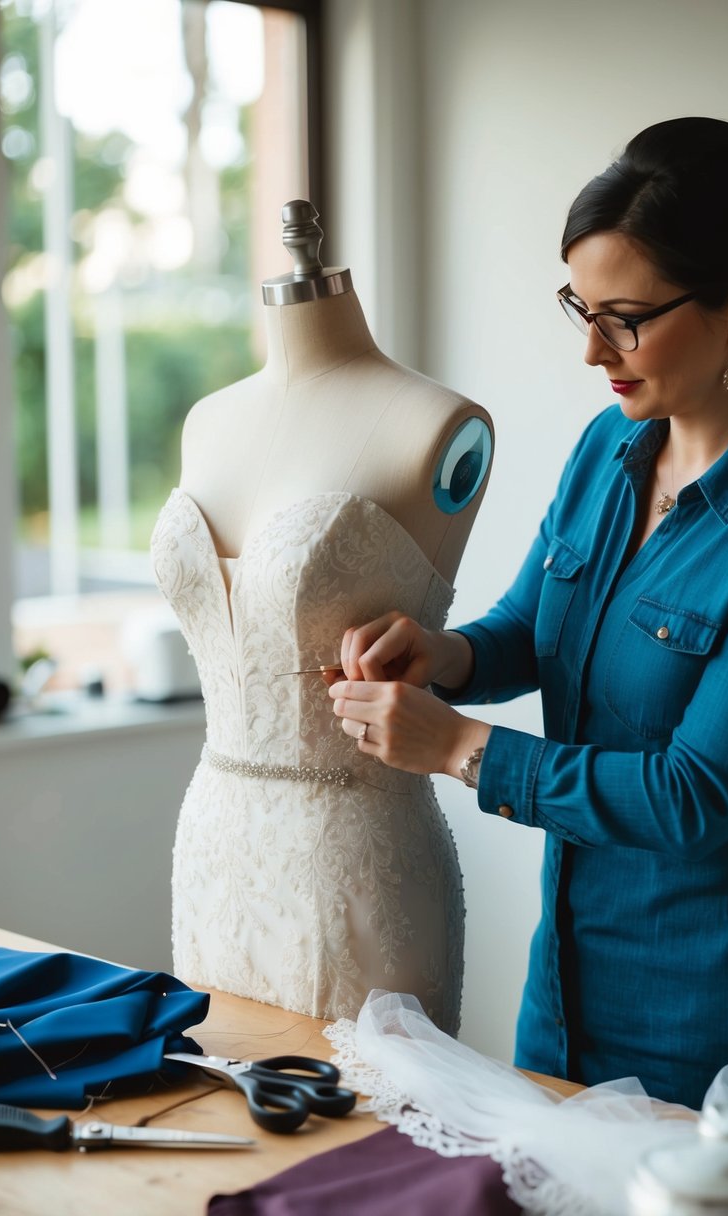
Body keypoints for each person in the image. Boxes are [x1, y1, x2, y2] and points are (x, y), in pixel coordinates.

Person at [327, 117, 728, 1109]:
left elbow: (693, 794)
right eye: (578, 308)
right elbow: (535, 631)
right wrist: (443, 656)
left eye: (623, 317)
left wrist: (460, 748)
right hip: (561, 996)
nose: (590, 351)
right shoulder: (607, 447)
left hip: (714, 1029)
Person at [151, 200, 493, 1031]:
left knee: (371, 1133)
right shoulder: (208, 423)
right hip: (213, 843)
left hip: (353, 854)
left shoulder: (437, 423)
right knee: (219, 1119)